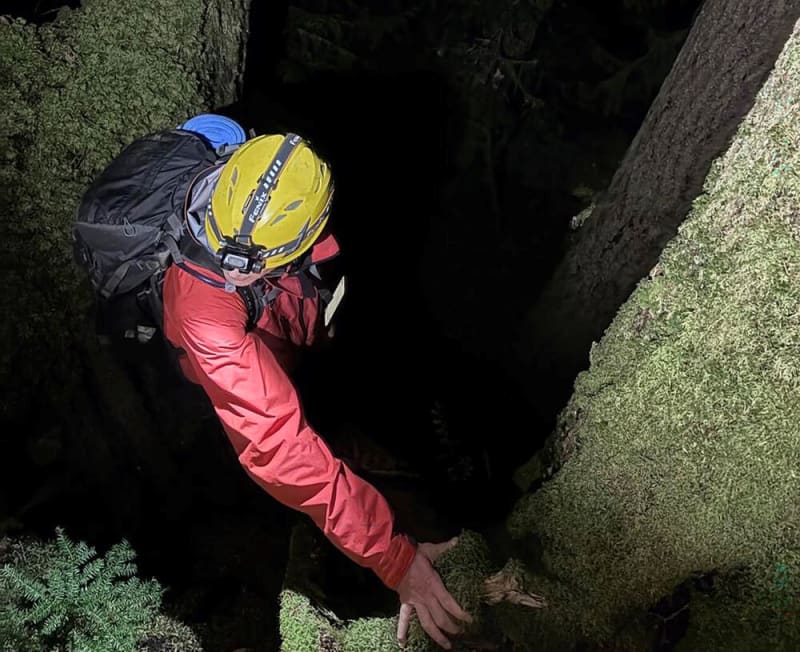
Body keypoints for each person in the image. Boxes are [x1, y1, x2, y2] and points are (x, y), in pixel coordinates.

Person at [160, 128, 472, 648]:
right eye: (230, 256)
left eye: (253, 261)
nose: (234, 271)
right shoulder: (205, 308)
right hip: (241, 371)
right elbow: (279, 449)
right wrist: (396, 558)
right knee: (300, 441)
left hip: (297, 340)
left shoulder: (263, 174)